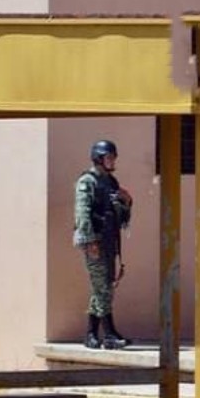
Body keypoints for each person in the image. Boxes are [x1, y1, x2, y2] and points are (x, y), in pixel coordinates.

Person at [74, 139, 133, 349]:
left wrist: (127, 202)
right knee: (104, 288)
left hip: (109, 240)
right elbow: (82, 213)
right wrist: (89, 241)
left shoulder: (111, 182)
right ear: (98, 158)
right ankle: (109, 334)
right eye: (109, 157)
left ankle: (91, 334)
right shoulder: (87, 182)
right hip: (95, 241)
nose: (112, 161)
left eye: (113, 157)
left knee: (102, 286)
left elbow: (121, 216)